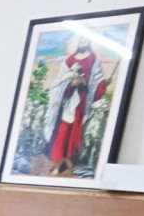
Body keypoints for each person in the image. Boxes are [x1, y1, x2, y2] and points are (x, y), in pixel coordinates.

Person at [43, 39, 107, 175]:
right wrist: (71, 84)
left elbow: (97, 80)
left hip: (82, 102)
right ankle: (58, 161)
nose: (83, 42)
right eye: (81, 40)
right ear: (77, 43)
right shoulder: (69, 60)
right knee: (63, 130)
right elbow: (60, 82)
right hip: (68, 101)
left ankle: (69, 160)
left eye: (86, 40)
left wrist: (97, 84)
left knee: (75, 132)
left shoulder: (93, 59)